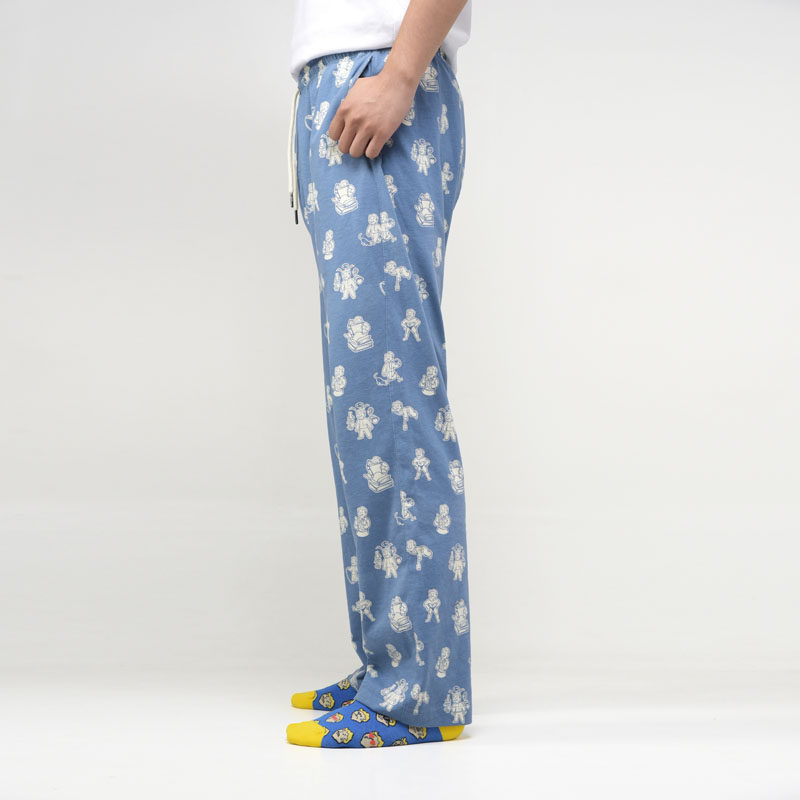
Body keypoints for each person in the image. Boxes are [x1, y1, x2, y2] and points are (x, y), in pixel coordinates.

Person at [285, 0, 473, 749]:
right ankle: (387, 664)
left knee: (393, 397)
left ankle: (417, 692)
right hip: (344, 87)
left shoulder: (392, 75)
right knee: (363, 396)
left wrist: (398, 75)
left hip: (384, 80)